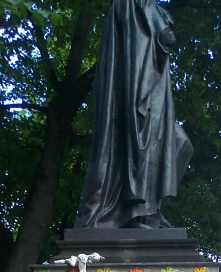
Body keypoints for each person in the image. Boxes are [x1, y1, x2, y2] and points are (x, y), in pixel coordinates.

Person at [74, 0, 192, 230]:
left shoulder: (151, 7)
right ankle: (136, 214)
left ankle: (149, 211)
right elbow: (138, 46)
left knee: (182, 144)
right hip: (138, 94)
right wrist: (162, 36)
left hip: (155, 96)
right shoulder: (130, 3)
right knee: (141, 146)